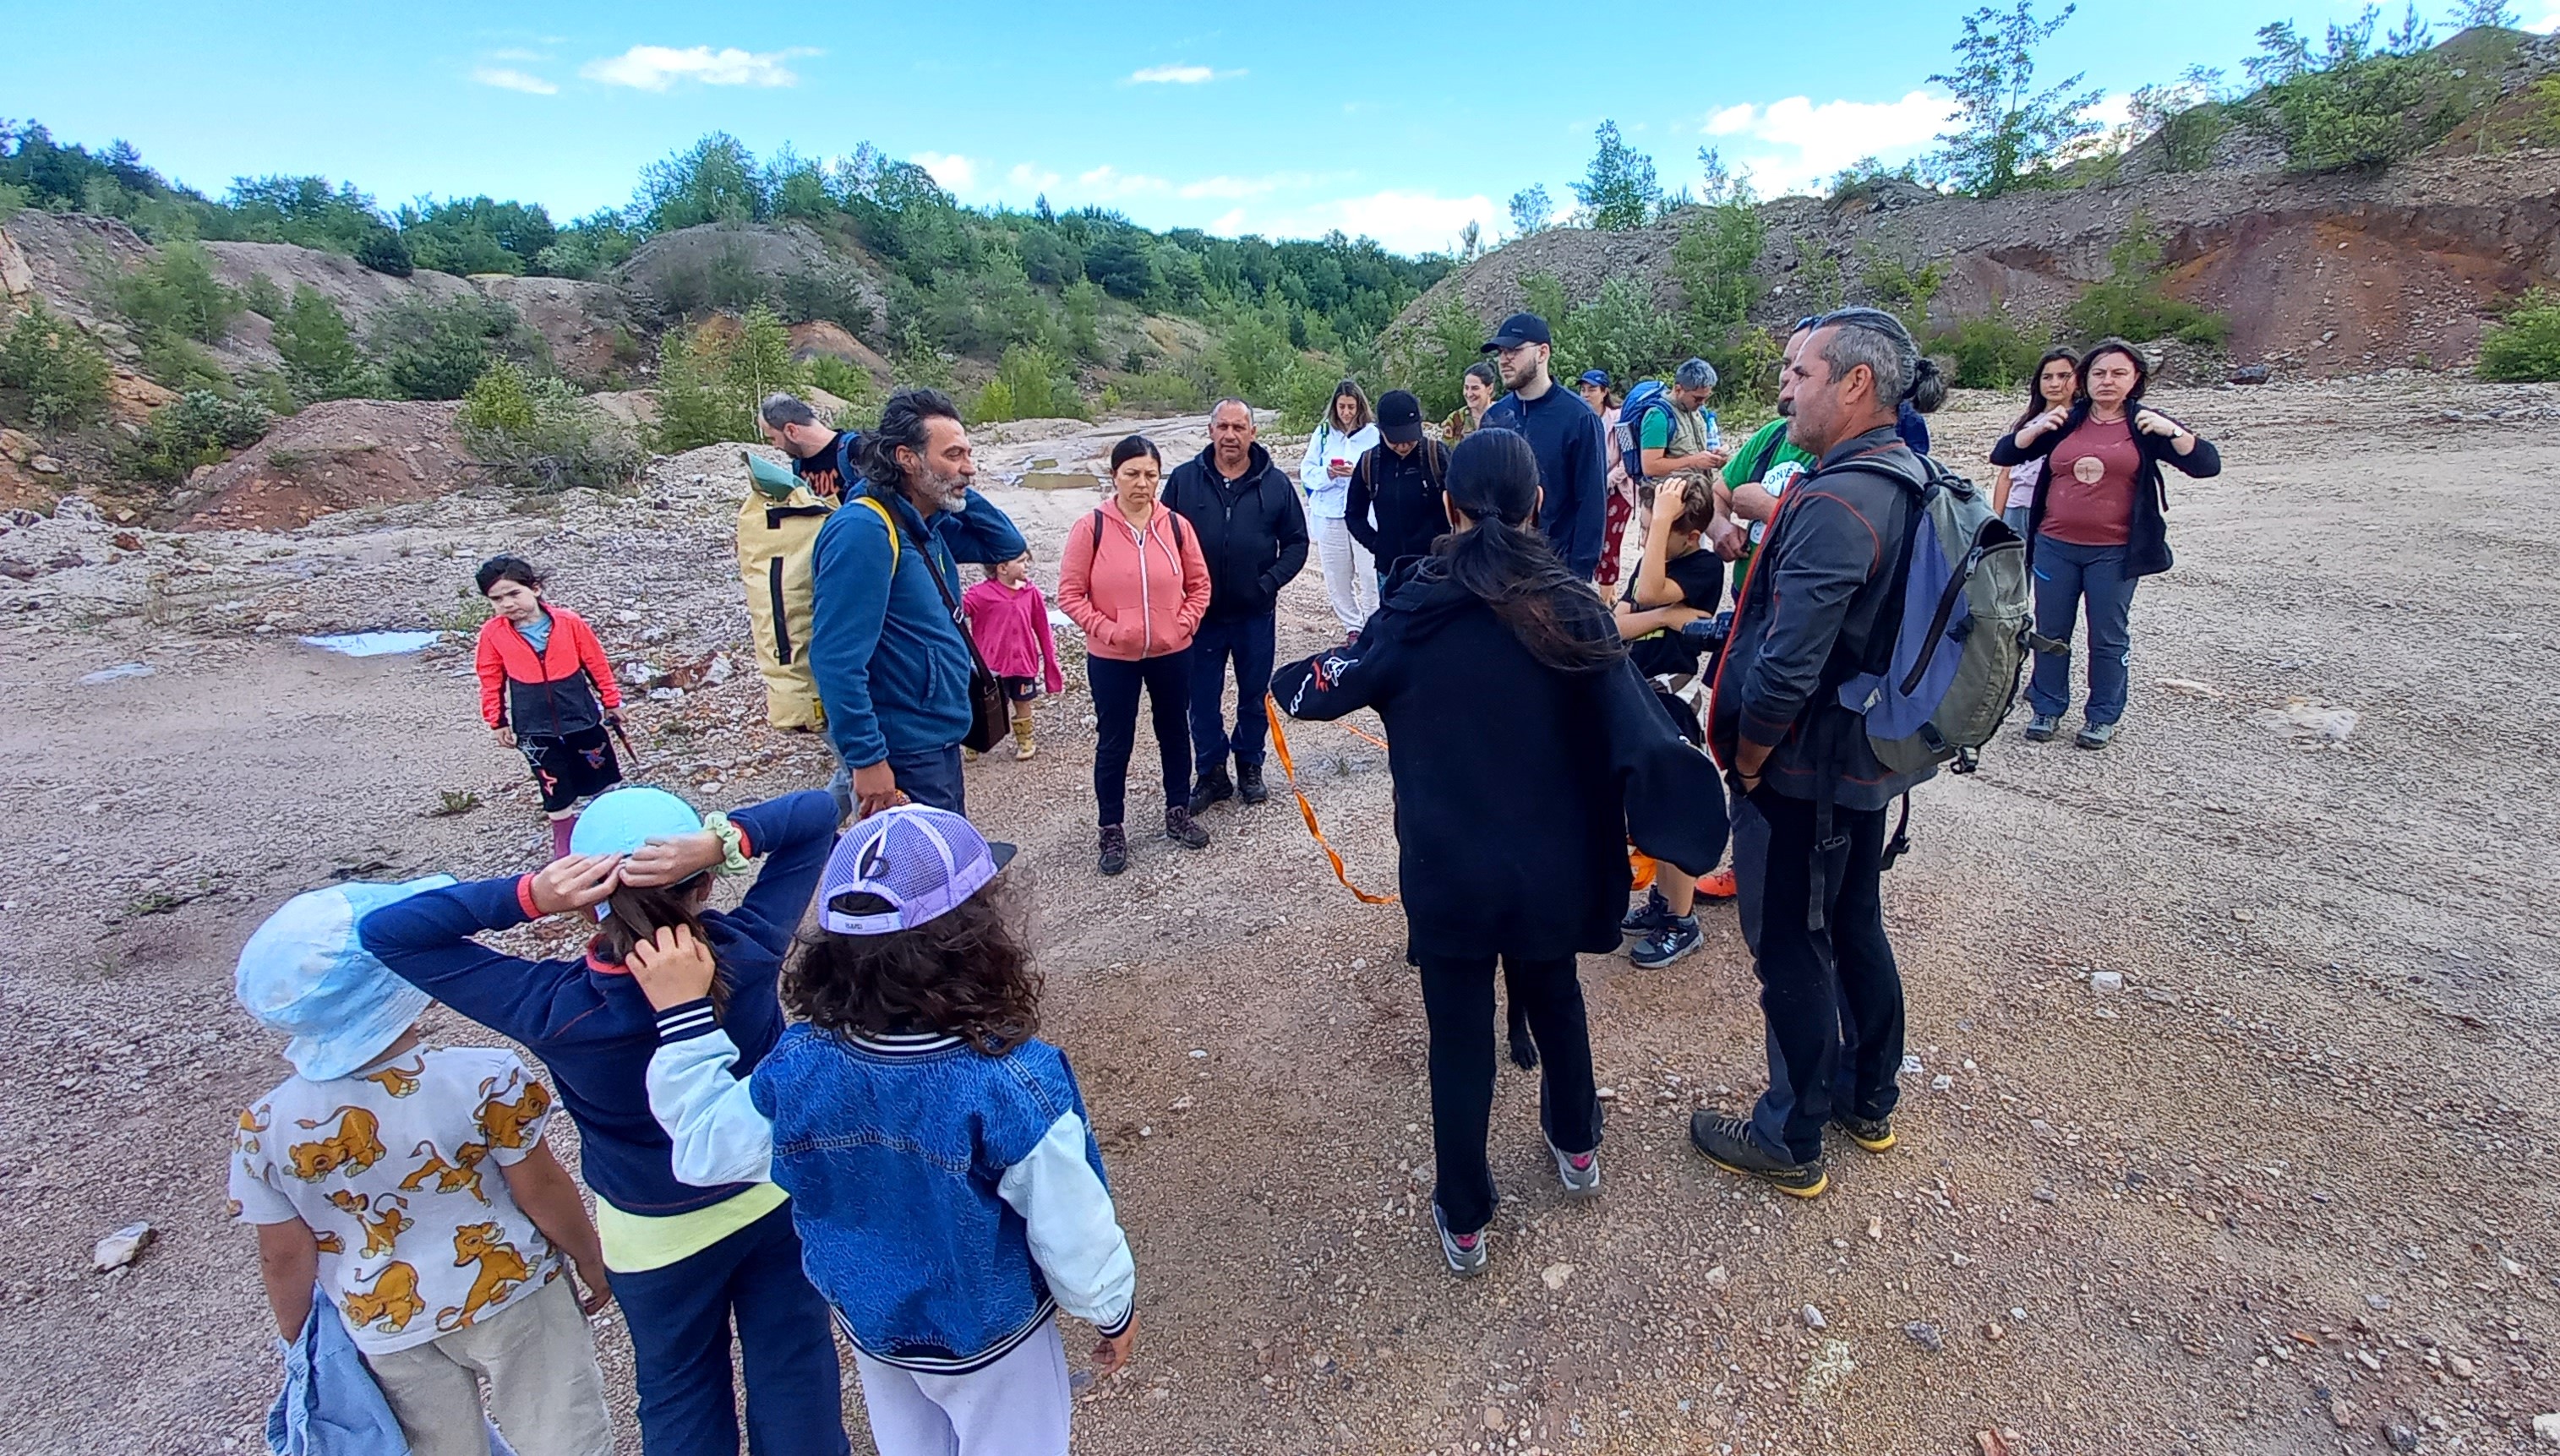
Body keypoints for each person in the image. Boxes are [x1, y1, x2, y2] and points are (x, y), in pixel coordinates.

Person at [1272, 430, 1724, 1278]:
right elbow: (1640, 728)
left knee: (1457, 1039)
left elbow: (1327, 687)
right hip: (1549, 870)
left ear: (1447, 506)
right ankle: (1576, 1144)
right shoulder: (1574, 607)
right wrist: (1684, 814)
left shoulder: (1411, 610)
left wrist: (1284, 676)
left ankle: (1466, 1214)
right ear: (1537, 505)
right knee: (1555, 998)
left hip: (1449, 876)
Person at [627, 805, 1138, 1456]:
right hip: (990, 1336)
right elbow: (1073, 1222)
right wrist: (1110, 1308)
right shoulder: (1009, 1080)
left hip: (874, 1324)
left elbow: (704, 1148)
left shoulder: (802, 1060)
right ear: (976, 936)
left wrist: (682, 1020)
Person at [361, 787, 852, 1456]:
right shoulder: (747, 953)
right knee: (795, 1369)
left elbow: (388, 931)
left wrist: (528, 895)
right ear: (705, 884)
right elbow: (817, 815)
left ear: (585, 897)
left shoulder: (556, 1009)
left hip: (652, 1231)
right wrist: (724, 839)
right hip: (771, 1192)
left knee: (678, 1390)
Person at [1695, 307, 1948, 1200]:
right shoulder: (1901, 474)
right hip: (1863, 760)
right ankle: (1866, 1096)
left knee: (1791, 948)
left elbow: (1781, 670)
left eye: (1799, 373)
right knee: (1849, 924)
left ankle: (1790, 1134)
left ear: (1854, 384)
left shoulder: (1839, 500)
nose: (1783, 387)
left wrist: (1750, 761)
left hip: (1805, 771)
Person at [231, 879, 615, 1456]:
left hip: (384, 1321)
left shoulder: (263, 1126)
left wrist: (298, 1340)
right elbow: (540, 1187)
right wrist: (590, 1256)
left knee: (439, 1447)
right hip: (515, 1289)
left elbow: (284, 1252)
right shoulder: (485, 1076)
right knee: (560, 1431)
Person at [1990, 338, 2220, 750]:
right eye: (2098, 373)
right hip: (2055, 544)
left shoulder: (2144, 424)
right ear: (2085, 379)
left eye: (2118, 373)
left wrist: (2176, 433)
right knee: (2051, 629)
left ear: (2136, 379)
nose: (2107, 381)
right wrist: (2034, 431)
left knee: (2108, 636)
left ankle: (2102, 715)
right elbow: (2004, 456)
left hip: (2114, 551)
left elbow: (2206, 465)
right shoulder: (2068, 420)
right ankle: (2047, 707)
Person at [809, 388, 1028, 818]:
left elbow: (1006, 542)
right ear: (908, 458)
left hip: (937, 736)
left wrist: (950, 485)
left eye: (969, 453)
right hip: (903, 748)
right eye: (954, 454)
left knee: (945, 869)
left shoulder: (926, 524)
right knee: (922, 878)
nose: (971, 467)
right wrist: (868, 760)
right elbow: (836, 659)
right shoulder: (863, 531)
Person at [1060, 435, 1215, 875]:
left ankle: (1178, 812)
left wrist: (1181, 625)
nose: (1141, 484)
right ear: (1114, 476)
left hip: (1172, 651)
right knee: (1114, 742)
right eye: (1131, 474)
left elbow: (1200, 586)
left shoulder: (1178, 527)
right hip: (1112, 657)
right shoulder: (1091, 528)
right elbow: (1070, 595)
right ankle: (1111, 826)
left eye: (1150, 474)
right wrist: (1109, 631)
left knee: (1173, 732)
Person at [1161, 398, 1309, 815]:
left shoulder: (1275, 484)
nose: (1230, 435)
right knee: (1201, 700)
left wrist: (1268, 583)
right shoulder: (1184, 481)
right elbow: (1163, 541)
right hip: (1201, 618)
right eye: (1223, 427)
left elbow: (1297, 542)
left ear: (1252, 433)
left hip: (1254, 614)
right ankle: (1211, 773)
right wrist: (1181, 594)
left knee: (1253, 696)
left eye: (1238, 428)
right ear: (1210, 431)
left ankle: (1249, 765)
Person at [1612, 474, 1727, 969]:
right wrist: (1668, 617)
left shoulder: (1702, 567)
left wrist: (1661, 519)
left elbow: (1648, 590)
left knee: (1674, 805)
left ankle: (1683, 919)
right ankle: (1663, 901)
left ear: (1689, 535)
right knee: (1648, 805)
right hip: (1640, 690)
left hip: (1675, 694)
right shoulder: (1657, 557)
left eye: (1657, 527)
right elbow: (1615, 623)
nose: (1648, 536)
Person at [472, 556, 625, 863]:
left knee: (600, 774)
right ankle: (565, 844)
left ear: (536, 589)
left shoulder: (569, 623)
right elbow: (489, 677)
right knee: (551, 781)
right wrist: (497, 720)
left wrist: (611, 701)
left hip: (580, 714)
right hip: (533, 724)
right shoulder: (493, 634)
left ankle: (612, 828)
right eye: (497, 599)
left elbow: (595, 663)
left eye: (514, 594)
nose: (507, 604)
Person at [1479, 314, 1610, 581]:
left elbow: (1592, 502)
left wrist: (1579, 576)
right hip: (1501, 569)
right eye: (1501, 352)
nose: (1504, 359)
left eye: (1514, 350)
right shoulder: (1494, 418)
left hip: (1556, 570)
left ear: (1542, 352)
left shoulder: (1579, 418)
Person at [961, 552, 1064, 763]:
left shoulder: (1031, 593)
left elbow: (1043, 628)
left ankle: (1025, 740)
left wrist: (1050, 662)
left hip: (1023, 663)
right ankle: (973, 740)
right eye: (1021, 561)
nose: (1026, 565)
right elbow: (957, 613)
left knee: (1023, 701)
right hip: (991, 667)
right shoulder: (979, 594)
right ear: (1002, 568)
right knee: (983, 706)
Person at [1343, 389, 1449, 585]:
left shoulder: (1436, 455)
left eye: (1409, 438)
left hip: (1436, 569)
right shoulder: (1370, 462)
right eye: (1395, 439)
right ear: (1381, 431)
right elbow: (1353, 514)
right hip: (1390, 571)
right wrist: (1377, 545)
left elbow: (1462, 506)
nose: (1403, 446)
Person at [1302, 379, 1382, 637]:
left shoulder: (1373, 436)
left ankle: (1374, 624)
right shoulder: (1324, 433)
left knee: (1369, 572)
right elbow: (1307, 471)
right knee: (1337, 576)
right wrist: (1329, 473)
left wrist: (1357, 474)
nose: (1346, 413)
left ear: (1360, 407)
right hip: (1330, 514)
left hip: (1364, 514)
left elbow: (1381, 473)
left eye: (1351, 407)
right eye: (1341, 407)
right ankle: (1353, 627)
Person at [1991, 350, 2080, 538]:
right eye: (2047, 377)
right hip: (2016, 508)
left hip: (2057, 511)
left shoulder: (2082, 422)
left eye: (2063, 376)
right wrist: (1996, 519)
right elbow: (2006, 475)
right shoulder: (2025, 423)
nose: (2055, 384)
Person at [1575, 371, 1633, 587]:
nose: (1586, 394)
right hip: (1588, 490)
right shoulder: (1578, 418)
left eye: (1592, 389)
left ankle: (1607, 599)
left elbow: (1629, 458)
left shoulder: (1621, 419)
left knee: (1609, 545)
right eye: (1583, 389)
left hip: (1618, 489)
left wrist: (1606, 481)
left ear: (1604, 391)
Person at [758, 392, 858, 500]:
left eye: (773, 438)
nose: (775, 446)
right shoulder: (798, 466)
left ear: (791, 431)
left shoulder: (856, 449)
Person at [1439, 362, 1499, 443]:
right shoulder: (1456, 419)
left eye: (1475, 388)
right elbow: (1446, 451)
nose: (1469, 394)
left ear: (1490, 388)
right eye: (1466, 388)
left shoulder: (1504, 415)